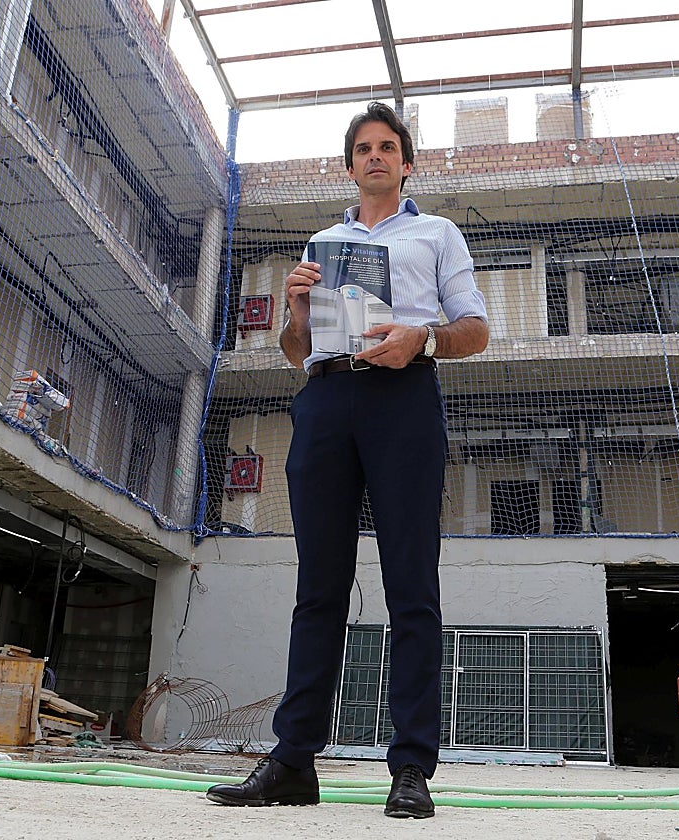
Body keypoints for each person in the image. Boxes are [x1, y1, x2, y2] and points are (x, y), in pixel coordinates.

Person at [207, 102, 488, 819]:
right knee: (318, 588)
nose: (375, 156)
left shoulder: (437, 233)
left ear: (406, 161)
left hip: (404, 397)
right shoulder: (324, 240)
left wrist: (420, 340)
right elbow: (298, 354)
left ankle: (411, 768)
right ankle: (294, 761)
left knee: (410, 586)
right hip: (327, 400)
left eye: (387, 146)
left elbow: (477, 330)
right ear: (350, 163)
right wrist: (297, 314)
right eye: (363, 147)